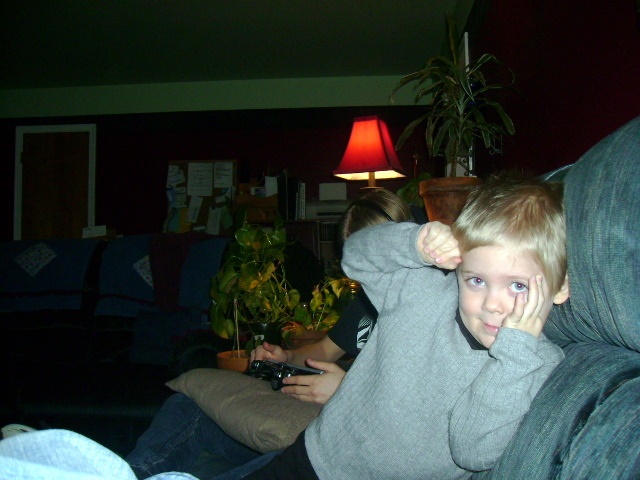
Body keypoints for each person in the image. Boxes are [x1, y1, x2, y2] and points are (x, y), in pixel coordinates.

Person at [211, 172, 570, 479]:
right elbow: (356, 257)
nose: (492, 304)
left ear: (560, 288)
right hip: (316, 459)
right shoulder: (423, 290)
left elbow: (473, 451)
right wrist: (415, 243)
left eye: (518, 286)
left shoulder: (534, 363)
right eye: (476, 280)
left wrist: (515, 355)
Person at [124, 188, 412, 478]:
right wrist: (285, 356)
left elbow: (420, 409)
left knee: (291, 461)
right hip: (309, 424)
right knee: (191, 405)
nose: (359, 271)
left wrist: (347, 390)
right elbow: (324, 350)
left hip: (347, 447)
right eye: (353, 258)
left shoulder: (425, 312)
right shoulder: (367, 300)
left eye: (369, 258)